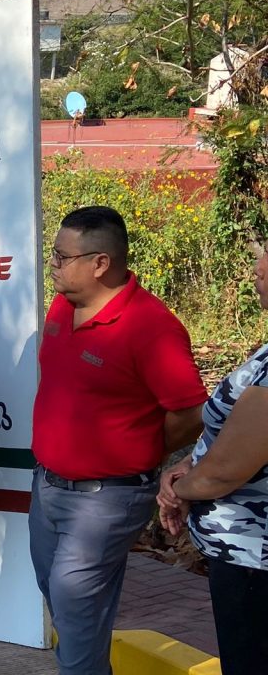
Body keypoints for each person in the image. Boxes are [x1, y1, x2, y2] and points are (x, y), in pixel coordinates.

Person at [30, 206, 206, 675]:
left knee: (74, 603)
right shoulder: (60, 307)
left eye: (62, 257)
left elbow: (190, 411)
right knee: (65, 602)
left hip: (107, 498)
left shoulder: (152, 326)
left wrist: (144, 445)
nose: (53, 265)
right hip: (48, 488)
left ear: (100, 263)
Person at [158, 247, 268, 675]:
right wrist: (190, 466)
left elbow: (228, 469)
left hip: (253, 562)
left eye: (266, 261)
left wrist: (176, 491)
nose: (256, 270)